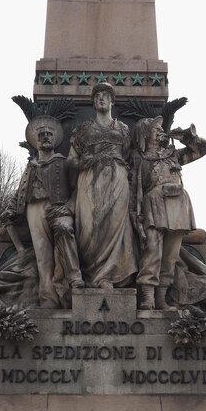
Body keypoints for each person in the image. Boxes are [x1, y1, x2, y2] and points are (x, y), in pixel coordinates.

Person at [1, 115, 83, 308]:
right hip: (34, 209)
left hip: (59, 207)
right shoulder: (30, 167)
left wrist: (70, 207)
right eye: (41, 135)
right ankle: (48, 299)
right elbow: (20, 193)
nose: (46, 137)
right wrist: (10, 211)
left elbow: (76, 188)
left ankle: (73, 282)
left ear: (55, 140)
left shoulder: (63, 162)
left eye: (49, 134)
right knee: (42, 257)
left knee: (64, 234)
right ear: (35, 141)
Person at [130, 116, 206, 310]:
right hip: (154, 205)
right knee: (152, 250)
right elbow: (134, 190)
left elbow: (204, 148)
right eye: (155, 129)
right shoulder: (139, 158)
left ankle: (161, 297)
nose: (160, 131)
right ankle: (147, 296)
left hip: (178, 206)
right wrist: (135, 216)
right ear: (144, 134)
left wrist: (187, 138)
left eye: (160, 128)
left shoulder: (173, 155)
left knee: (170, 255)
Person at [68, 83, 137, 288]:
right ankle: (91, 274)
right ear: (93, 102)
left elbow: (128, 157)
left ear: (112, 101)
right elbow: (71, 158)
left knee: (116, 223)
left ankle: (112, 275)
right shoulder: (83, 129)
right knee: (90, 226)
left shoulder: (123, 129)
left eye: (105, 96)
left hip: (117, 181)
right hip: (89, 179)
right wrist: (81, 163)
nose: (101, 99)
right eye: (97, 96)